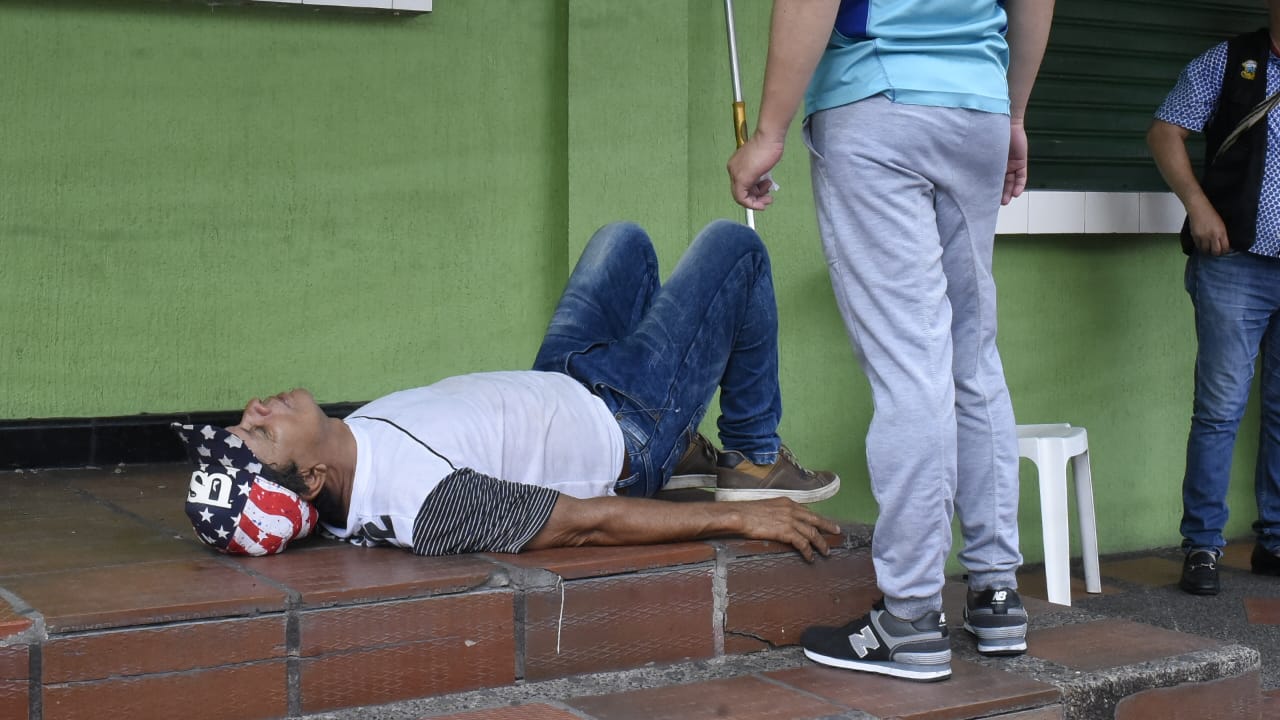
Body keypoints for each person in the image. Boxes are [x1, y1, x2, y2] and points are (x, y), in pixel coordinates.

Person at [174, 220, 841, 562]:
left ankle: (688, 452)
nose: (256, 408)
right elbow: (589, 525)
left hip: (563, 379)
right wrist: (741, 518)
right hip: (625, 425)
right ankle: (752, 460)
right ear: (312, 479)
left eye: (245, 421)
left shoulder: (347, 450)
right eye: (260, 432)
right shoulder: (427, 505)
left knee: (623, 243)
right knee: (735, 248)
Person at [726, 0, 1054, 682]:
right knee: (972, 354)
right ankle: (995, 595)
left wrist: (770, 129)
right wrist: (1013, 113)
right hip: (980, 111)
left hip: (878, 101)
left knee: (912, 365)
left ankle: (909, 618)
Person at [1147, 3, 1280, 596]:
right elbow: (1165, 129)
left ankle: (1275, 541)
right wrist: (1197, 206)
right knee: (1222, 410)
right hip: (1235, 267)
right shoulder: (1231, 63)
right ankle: (1203, 545)